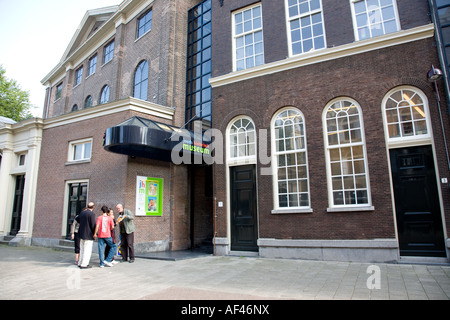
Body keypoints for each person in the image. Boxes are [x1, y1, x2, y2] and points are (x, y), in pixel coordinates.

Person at [75, 202, 96, 269]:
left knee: (82, 249)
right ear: (93, 207)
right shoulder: (92, 214)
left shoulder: (82, 213)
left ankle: (80, 262)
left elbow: (77, 219)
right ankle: (84, 264)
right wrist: (94, 233)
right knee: (87, 250)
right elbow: (93, 225)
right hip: (88, 234)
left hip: (81, 234)